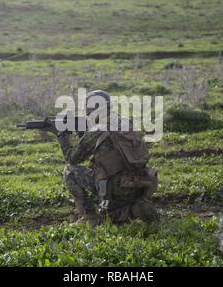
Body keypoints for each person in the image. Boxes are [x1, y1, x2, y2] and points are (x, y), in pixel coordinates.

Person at [43, 90, 159, 226]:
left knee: (70, 171)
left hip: (113, 189)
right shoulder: (127, 123)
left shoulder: (96, 130)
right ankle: (133, 207)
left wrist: (61, 135)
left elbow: (72, 158)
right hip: (139, 184)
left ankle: (89, 216)